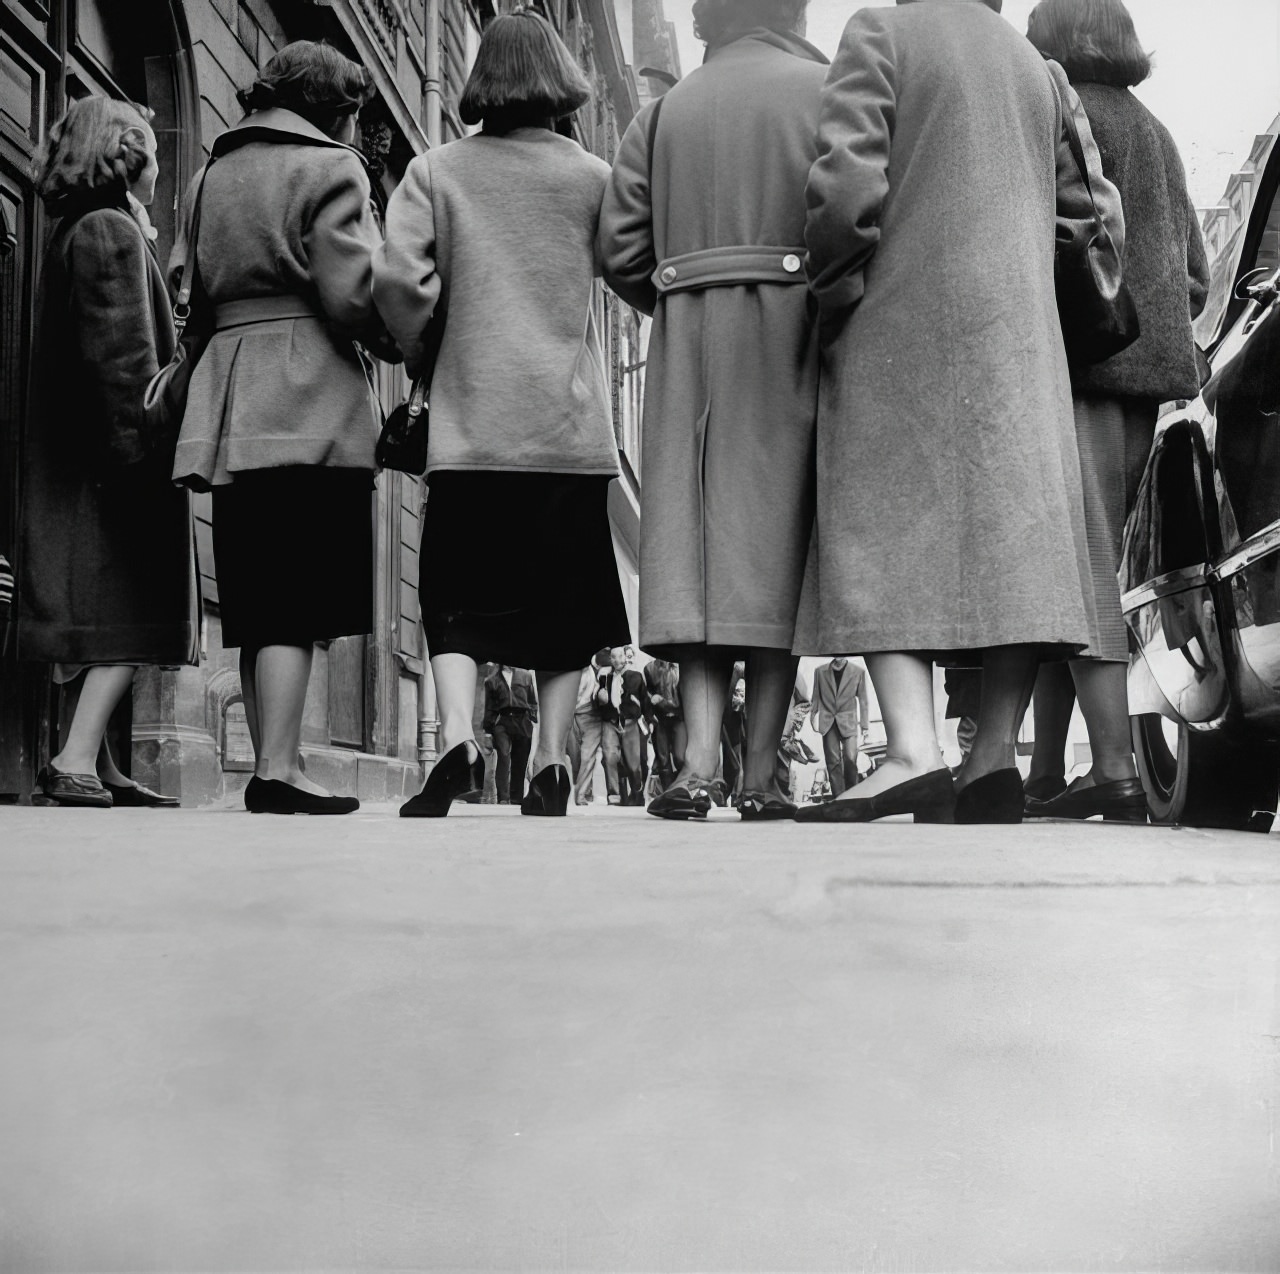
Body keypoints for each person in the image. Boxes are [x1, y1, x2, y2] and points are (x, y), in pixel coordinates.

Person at [797, 0, 1115, 826]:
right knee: (1014, 532)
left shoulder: (881, 34)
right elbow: (1089, 211)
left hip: (900, 309)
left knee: (875, 510)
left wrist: (834, 296)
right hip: (1020, 330)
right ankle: (991, 757)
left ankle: (910, 751)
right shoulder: (1036, 69)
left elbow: (845, 188)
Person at [373, 9, 631, 819]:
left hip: (472, 424)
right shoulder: (592, 177)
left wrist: (425, 356)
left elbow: (398, 283)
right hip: (565, 424)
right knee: (563, 603)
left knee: (453, 592)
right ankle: (551, 761)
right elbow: (631, 271)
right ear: (560, 79)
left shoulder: (436, 171)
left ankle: (454, 735)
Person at [598, 0, 827, 823]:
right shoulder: (830, 89)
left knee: (697, 556)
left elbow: (621, 246)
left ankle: (695, 767)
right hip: (795, 338)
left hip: (691, 341)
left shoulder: (663, 114)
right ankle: (760, 775)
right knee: (777, 552)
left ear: (707, 18)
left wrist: (683, 289)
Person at [172, 41, 393, 816]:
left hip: (231, 392)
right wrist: (402, 333)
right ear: (334, 106)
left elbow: (189, 289)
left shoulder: (209, 173)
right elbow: (355, 291)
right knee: (299, 589)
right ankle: (277, 768)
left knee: (258, 587)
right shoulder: (332, 168)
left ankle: (277, 759)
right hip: (309, 393)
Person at [1023, 0, 1210, 823]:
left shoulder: (1060, 115)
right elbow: (1198, 274)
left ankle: (1111, 772)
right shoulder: (1159, 132)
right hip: (1150, 379)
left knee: (1078, 564)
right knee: (1104, 565)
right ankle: (1054, 769)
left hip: (1080, 370)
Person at [17, 97, 197, 808]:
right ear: (128, 154)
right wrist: (144, 455)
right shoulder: (108, 232)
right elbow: (124, 363)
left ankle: (105, 760)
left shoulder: (87, 226)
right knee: (123, 610)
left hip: (88, 457)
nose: (160, 162)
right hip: (113, 463)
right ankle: (74, 758)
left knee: (106, 615)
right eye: (151, 147)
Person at [810, 657, 871, 797]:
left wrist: (865, 726)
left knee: (850, 758)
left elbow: (863, 700)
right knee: (833, 761)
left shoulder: (858, 671)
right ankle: (839, 798)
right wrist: (812, 717)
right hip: (828, 722)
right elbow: (815, 697)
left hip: (848, 721)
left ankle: (852, 795)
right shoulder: (820, 671)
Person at [596, 647, 646, 806]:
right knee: (609, 756)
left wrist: (648, 721)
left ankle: (637, 793)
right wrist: (599, 698)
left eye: (620, 656)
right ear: (610, 659)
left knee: (633, 764)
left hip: (630, 722)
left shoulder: (635, 677)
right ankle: (614, 795)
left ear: (625, 657)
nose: (617, 660)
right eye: (613, 657)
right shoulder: (604, 677)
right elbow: (598, 700)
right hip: (610, 722)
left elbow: (643, 702)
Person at [483, 665, 538, 804]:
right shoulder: (492, 680)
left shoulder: (526, 675)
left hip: (522, 720)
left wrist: (532, 718)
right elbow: (489, 706)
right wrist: (488, 731)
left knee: (520, 760)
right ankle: (503, 797)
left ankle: (516, 798)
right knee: (504, 756)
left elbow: (532, 701)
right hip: (503, 720)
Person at [569, 647, 611, 805]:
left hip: (593, 716)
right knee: (576, 757)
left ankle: (581, 795)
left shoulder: (603, 671)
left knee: (588, 756)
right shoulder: (581, 669)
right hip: (573, 714)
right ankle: (581, 792)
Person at [643, 656, 685, 792]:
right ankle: (669, 792)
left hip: (679, 718)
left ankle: (681, 788)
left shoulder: (681, 666)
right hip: (660, 720)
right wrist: (650, 719)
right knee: (663, 758)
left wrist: (662, 702)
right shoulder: (650, 668)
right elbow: (647, 697)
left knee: (680, 757)